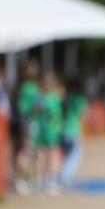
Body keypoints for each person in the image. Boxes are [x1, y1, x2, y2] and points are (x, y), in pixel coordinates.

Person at [13, 60, 41, 194]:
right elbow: (37, 106)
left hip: (23, 121)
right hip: (28, 121)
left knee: (24, 151)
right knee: (26, 151)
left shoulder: (22, 87)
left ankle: (22, 179)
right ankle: (22, 180)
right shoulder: (31, 87)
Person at [34, 72, 64, 195]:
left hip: (41, 128)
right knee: (53, 154)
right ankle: (52, 181)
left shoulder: (40, 97)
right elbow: (56, 114)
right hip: (52, 130)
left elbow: (35, 111)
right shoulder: (54, 98)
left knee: (41, 154)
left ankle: (40, 180)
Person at [59, 77, 87, 188]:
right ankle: (65, 178)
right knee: (75, 154)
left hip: (62, 129)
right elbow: (82, 115)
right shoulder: (79, 99)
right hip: (73, 129)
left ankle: (63, 177)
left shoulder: (65, 98)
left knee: (66, 155)